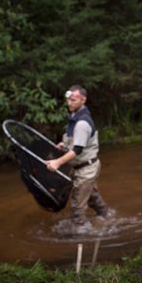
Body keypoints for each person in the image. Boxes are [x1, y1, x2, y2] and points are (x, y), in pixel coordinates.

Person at [46, 84, 109, 231]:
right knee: (92, 197)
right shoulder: (75, 117)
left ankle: (82, 235)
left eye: (73, 100)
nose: (69, 103)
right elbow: (77, 143)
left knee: (77, 207)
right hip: (86, 166)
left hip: (86, 169)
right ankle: (107, 216)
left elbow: (78, 150)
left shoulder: (81, 123)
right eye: (68, 100)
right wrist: (64, 145)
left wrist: (57, 162)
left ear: (83, 100)